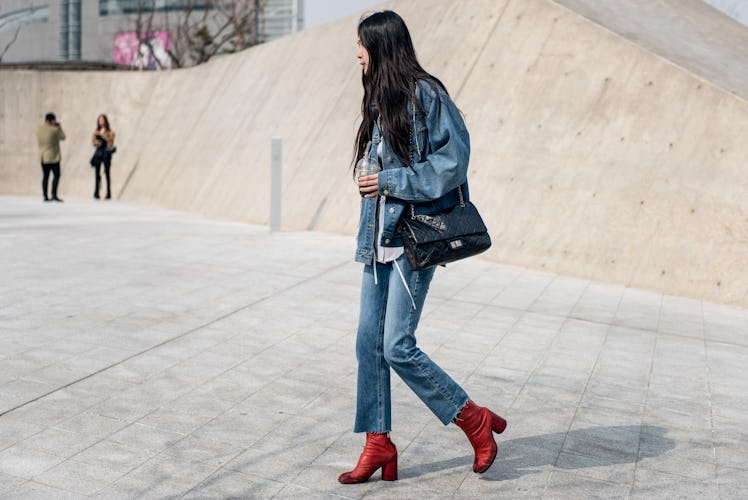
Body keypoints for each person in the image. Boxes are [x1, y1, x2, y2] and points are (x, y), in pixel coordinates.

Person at [339, 10, 506, 484]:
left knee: (397, 345)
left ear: (381, 47)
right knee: (367, 345)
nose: (357, 54)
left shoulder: (427, 95)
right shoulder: (379, 101)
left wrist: (388, 180)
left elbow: (453, 163)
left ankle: (472, 419)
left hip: (414, 242)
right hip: (377, 244)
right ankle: (378, 443)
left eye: (361, 45)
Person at [35, 112, 66, 202]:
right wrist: (59, 127)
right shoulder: (54, 129)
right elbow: (63, 137)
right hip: (53, 157)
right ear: (52, 120)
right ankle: (54, 194)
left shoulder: (39, 129)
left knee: (45, 176)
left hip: (42, 156)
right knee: (56, 175)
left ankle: (45, 195)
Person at [91, 114, 116, 199]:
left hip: (106, 153)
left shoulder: (110, 131)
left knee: (107, 173)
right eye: (99, 120)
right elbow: (93, 142)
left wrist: (104, 138)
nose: (101, 121)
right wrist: (98, 142)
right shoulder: (96, 131)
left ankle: (108, 193)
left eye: (102, 120)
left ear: (105, 121)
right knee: (97, 173)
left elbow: (111, 142)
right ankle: (96, 192)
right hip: (98, 153)